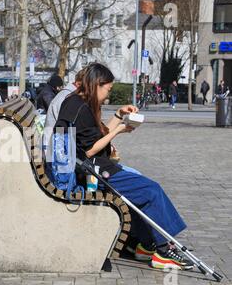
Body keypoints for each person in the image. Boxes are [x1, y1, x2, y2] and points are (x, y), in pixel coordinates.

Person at [54, 63, 193, 270]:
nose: (107, 95)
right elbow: (89, 150)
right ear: (97, 85)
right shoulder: (79, 107)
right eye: (107, 90)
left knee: (141, 187)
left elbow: (95, 137)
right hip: (93, 172)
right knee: (150, 190)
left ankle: (146, 244)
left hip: (94, 167)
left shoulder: (78, 102)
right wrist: (118, 130)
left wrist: (119, 115)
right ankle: (163, 251)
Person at [43, 68, 87, 159]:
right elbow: (63, 129)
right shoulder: (68, 98)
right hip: (57, 154)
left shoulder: (68, 95)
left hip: (57, 148)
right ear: (79, 84)